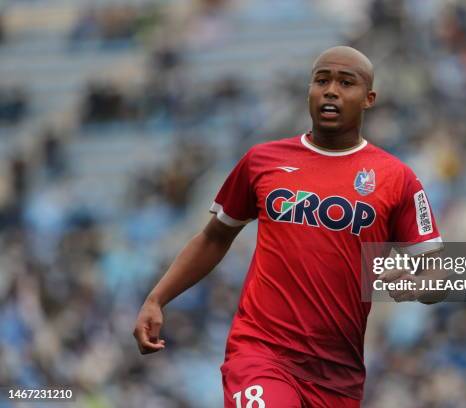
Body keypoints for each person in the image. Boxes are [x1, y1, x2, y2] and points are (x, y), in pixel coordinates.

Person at [133, 46, 443, 407]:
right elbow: (214, 237)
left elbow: (436, 274)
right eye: (321, 80)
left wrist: (406, 278)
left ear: (368, 99)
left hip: (337, 376)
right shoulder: (262, 161)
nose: (331, 90)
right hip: (262, 354)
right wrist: (157, 298)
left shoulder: (397, 178)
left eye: (346, 82)